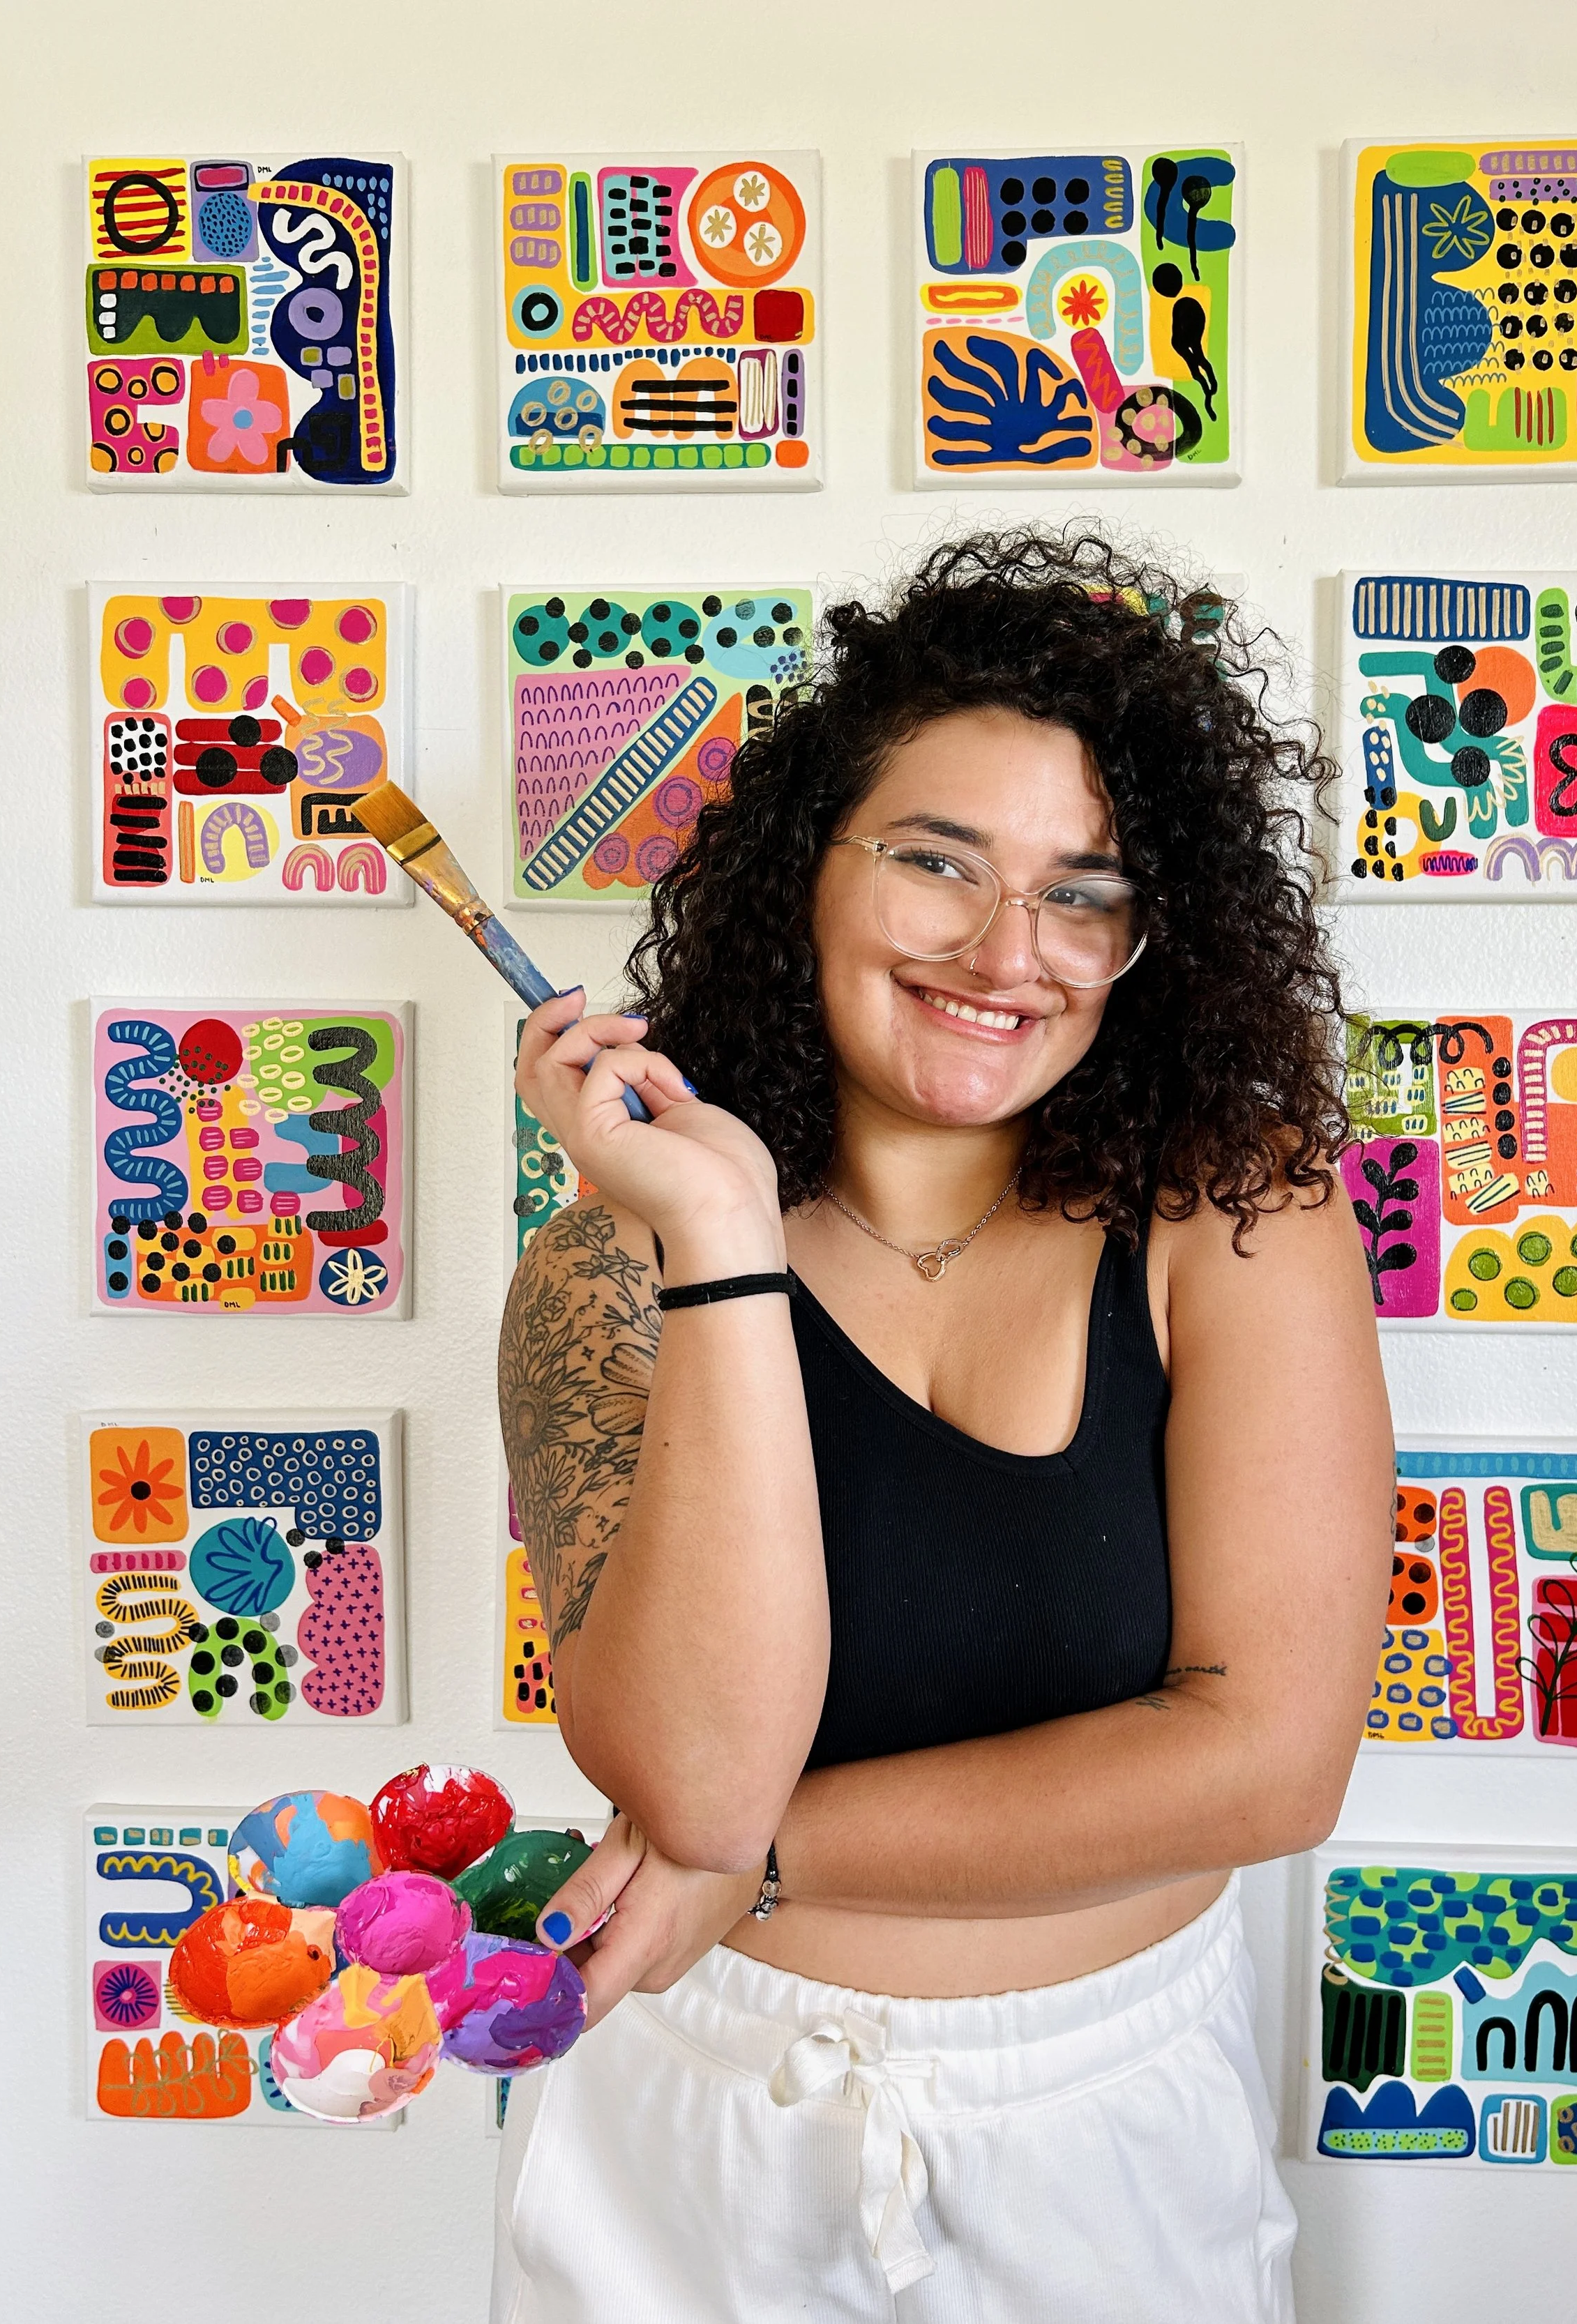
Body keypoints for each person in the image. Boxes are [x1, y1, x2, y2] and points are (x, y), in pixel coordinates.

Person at [492, 529, 1392, 2323]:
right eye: (934, 861)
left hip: (1110, 2126)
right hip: (697, 2127)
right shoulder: (608, 1271)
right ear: (800, 872)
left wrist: (759, 1864)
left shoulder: (1239, 1219)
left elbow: (1269, 1764)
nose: (1009, 951)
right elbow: (686, 1774)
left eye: (1083, 892)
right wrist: (724, 1240)